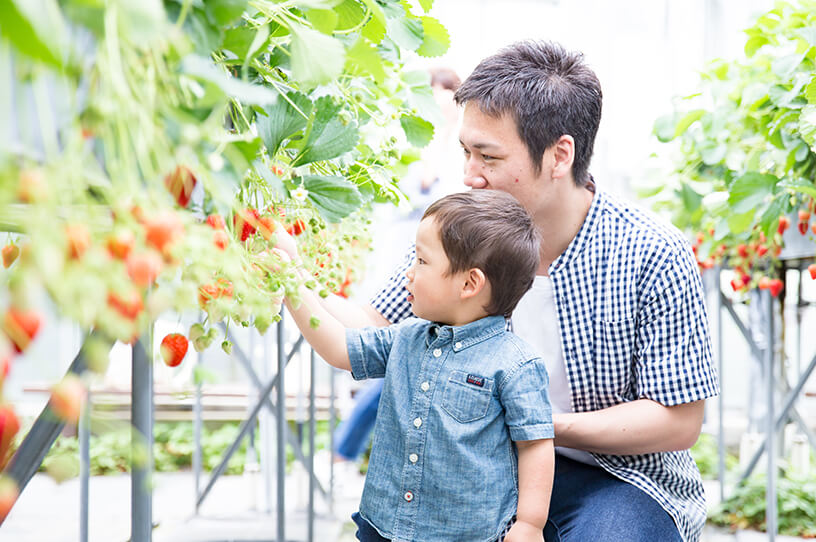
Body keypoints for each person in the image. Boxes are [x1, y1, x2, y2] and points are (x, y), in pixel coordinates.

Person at [313, 40, 719, 542]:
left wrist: (539, 425)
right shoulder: (463, 229)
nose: (469, 175)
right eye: (465, 152)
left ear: (559, 155)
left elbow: (677, 419)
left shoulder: (651, 251)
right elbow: (371, 327)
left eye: (488, 156)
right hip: (474, 468)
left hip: (615, 476)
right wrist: (291, 278)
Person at [275, 190, 556, 542]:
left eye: (421, 262)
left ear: (470, 283)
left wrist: (530, 524)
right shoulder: (406, 337)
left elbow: (535, 444)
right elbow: (339, 349)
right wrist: (292, 281)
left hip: (466, 534)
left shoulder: (516, 364)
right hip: (384, 524)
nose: (408, 273)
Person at [331, 67, 463, 471]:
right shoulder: (409, 142)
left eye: (446, 92)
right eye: (432, 92)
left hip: (446, 274)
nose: (438, 100)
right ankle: (344, 451)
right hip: (405, 265)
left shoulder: (463, 153)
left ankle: (343, 451)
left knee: (399, 367)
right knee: (393, 360)